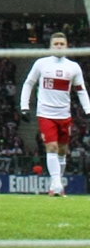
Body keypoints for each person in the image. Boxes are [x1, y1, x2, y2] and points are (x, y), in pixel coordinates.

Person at [19, 32, 89, 197]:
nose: (58, 46)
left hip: (64, 114)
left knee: (62, 151)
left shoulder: (73, 67)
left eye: (61, 44)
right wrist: (24, 106)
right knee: (52, 147)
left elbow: (81, 90)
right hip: (45, 113)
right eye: (56, 44)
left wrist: (88, 109)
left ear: (66, 46)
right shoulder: (41, 64)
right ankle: (57, 185)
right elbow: (29, 83)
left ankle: (55, 184)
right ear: (51, 46)